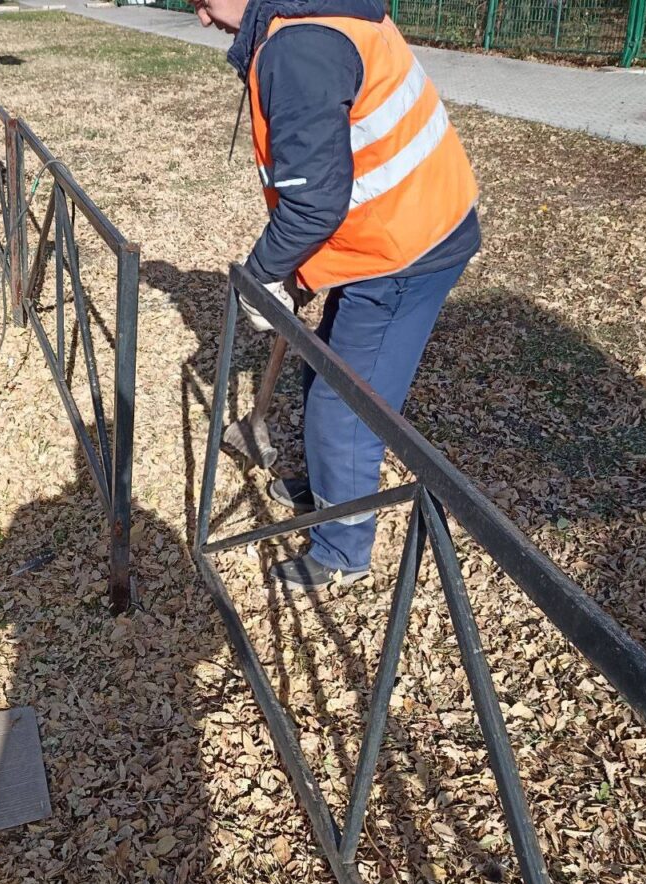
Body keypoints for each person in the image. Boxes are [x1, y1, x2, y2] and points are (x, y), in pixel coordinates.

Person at [193, 0, 481, 591]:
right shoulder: (311, 15)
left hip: (407, 247)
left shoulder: (298, 49)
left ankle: (343, 546)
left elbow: (312, 204)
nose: (201, 18)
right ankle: (329, 488)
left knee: (345, 406)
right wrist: (297, 274)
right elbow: (327, 175)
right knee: (322, 369)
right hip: (392, 224)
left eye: (202, 2)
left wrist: (265, 274)